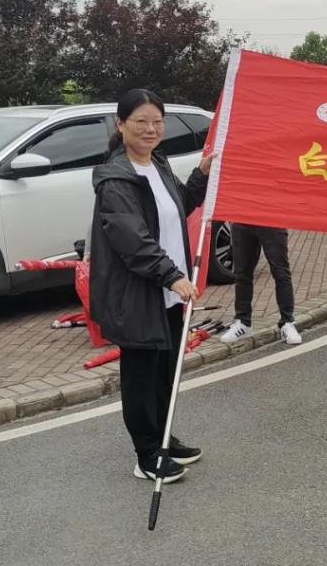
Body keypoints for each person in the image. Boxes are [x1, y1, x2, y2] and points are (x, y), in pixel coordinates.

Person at [89, 88, 215, 482]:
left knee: (165, 371)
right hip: (139, 294)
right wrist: (172, 275)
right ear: (120, 124)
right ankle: (146, 455)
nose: (150, 129)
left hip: (169, 292)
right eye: (141, 121)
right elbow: (133, 239)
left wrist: (201, 175)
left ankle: (163, 438)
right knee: (141, 378)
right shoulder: (116, 179)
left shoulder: (157, 164)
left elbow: (180, 204)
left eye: (157, 122)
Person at [220, 224, 302, 345]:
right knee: (241, 273)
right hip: (242, 219)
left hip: (271, 219)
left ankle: (287, 322)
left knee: (280, 272)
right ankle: (243, 322)